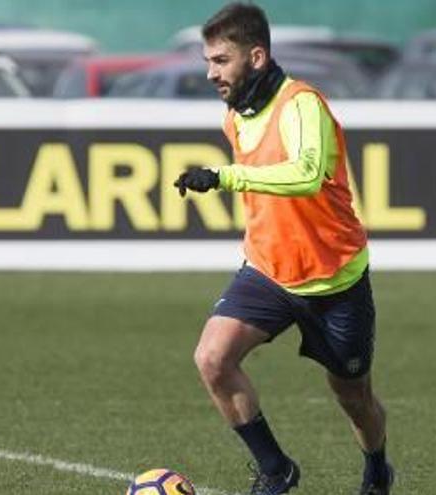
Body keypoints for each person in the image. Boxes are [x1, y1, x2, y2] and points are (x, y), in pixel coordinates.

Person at [173, 3, 393, 495]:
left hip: (335, 278)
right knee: (212, 358)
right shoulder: (235, 114)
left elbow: (307, 175)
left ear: (256, 56)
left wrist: (224, 177)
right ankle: (276, 469)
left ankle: (377, 466)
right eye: (208, 61)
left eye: (221, 61)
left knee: (353, 396)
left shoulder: (301, 104)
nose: (211, 73)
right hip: (269, 271)